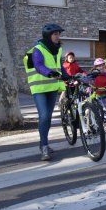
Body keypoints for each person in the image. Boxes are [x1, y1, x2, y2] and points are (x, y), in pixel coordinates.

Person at [23, 23, 68, 161]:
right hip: (39, 89)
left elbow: (59, 65)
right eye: (55, 34)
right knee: (43, 116)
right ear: (48, 36)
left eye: (59, 34)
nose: (58, 36)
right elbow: (38, 65)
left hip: (52, 87)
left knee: (48, 117)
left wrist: (66, 74)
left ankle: (44, 143)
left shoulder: (58, 49)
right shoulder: (38, 49)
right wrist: (49, 73)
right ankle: (44, 147)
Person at [89, 58, 106, 129]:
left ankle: (105, 121)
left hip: (105, 93)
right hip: (96, 94)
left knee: (105, 108)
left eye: (102, 65)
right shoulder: (94, 74)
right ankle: (96, 121)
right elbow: (90, 82)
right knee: (99, 108)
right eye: (99, 66)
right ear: (96, 67)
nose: (101, 67)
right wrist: (89, 88)